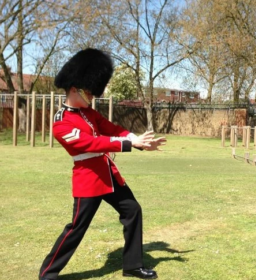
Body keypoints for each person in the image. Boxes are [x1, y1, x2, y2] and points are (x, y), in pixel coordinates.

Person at [39, 48, 166, 279]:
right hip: (88, 179)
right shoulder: (61, 122)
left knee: (133, 210)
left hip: (108, 175)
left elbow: (112, 129)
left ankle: (132, 265)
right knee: (76, 228)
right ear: (75, 88)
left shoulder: (89, 113)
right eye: (89, 90)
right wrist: (129, 144)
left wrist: (138, 141)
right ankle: (48, 273)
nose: (92, 94)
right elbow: (93, 143)